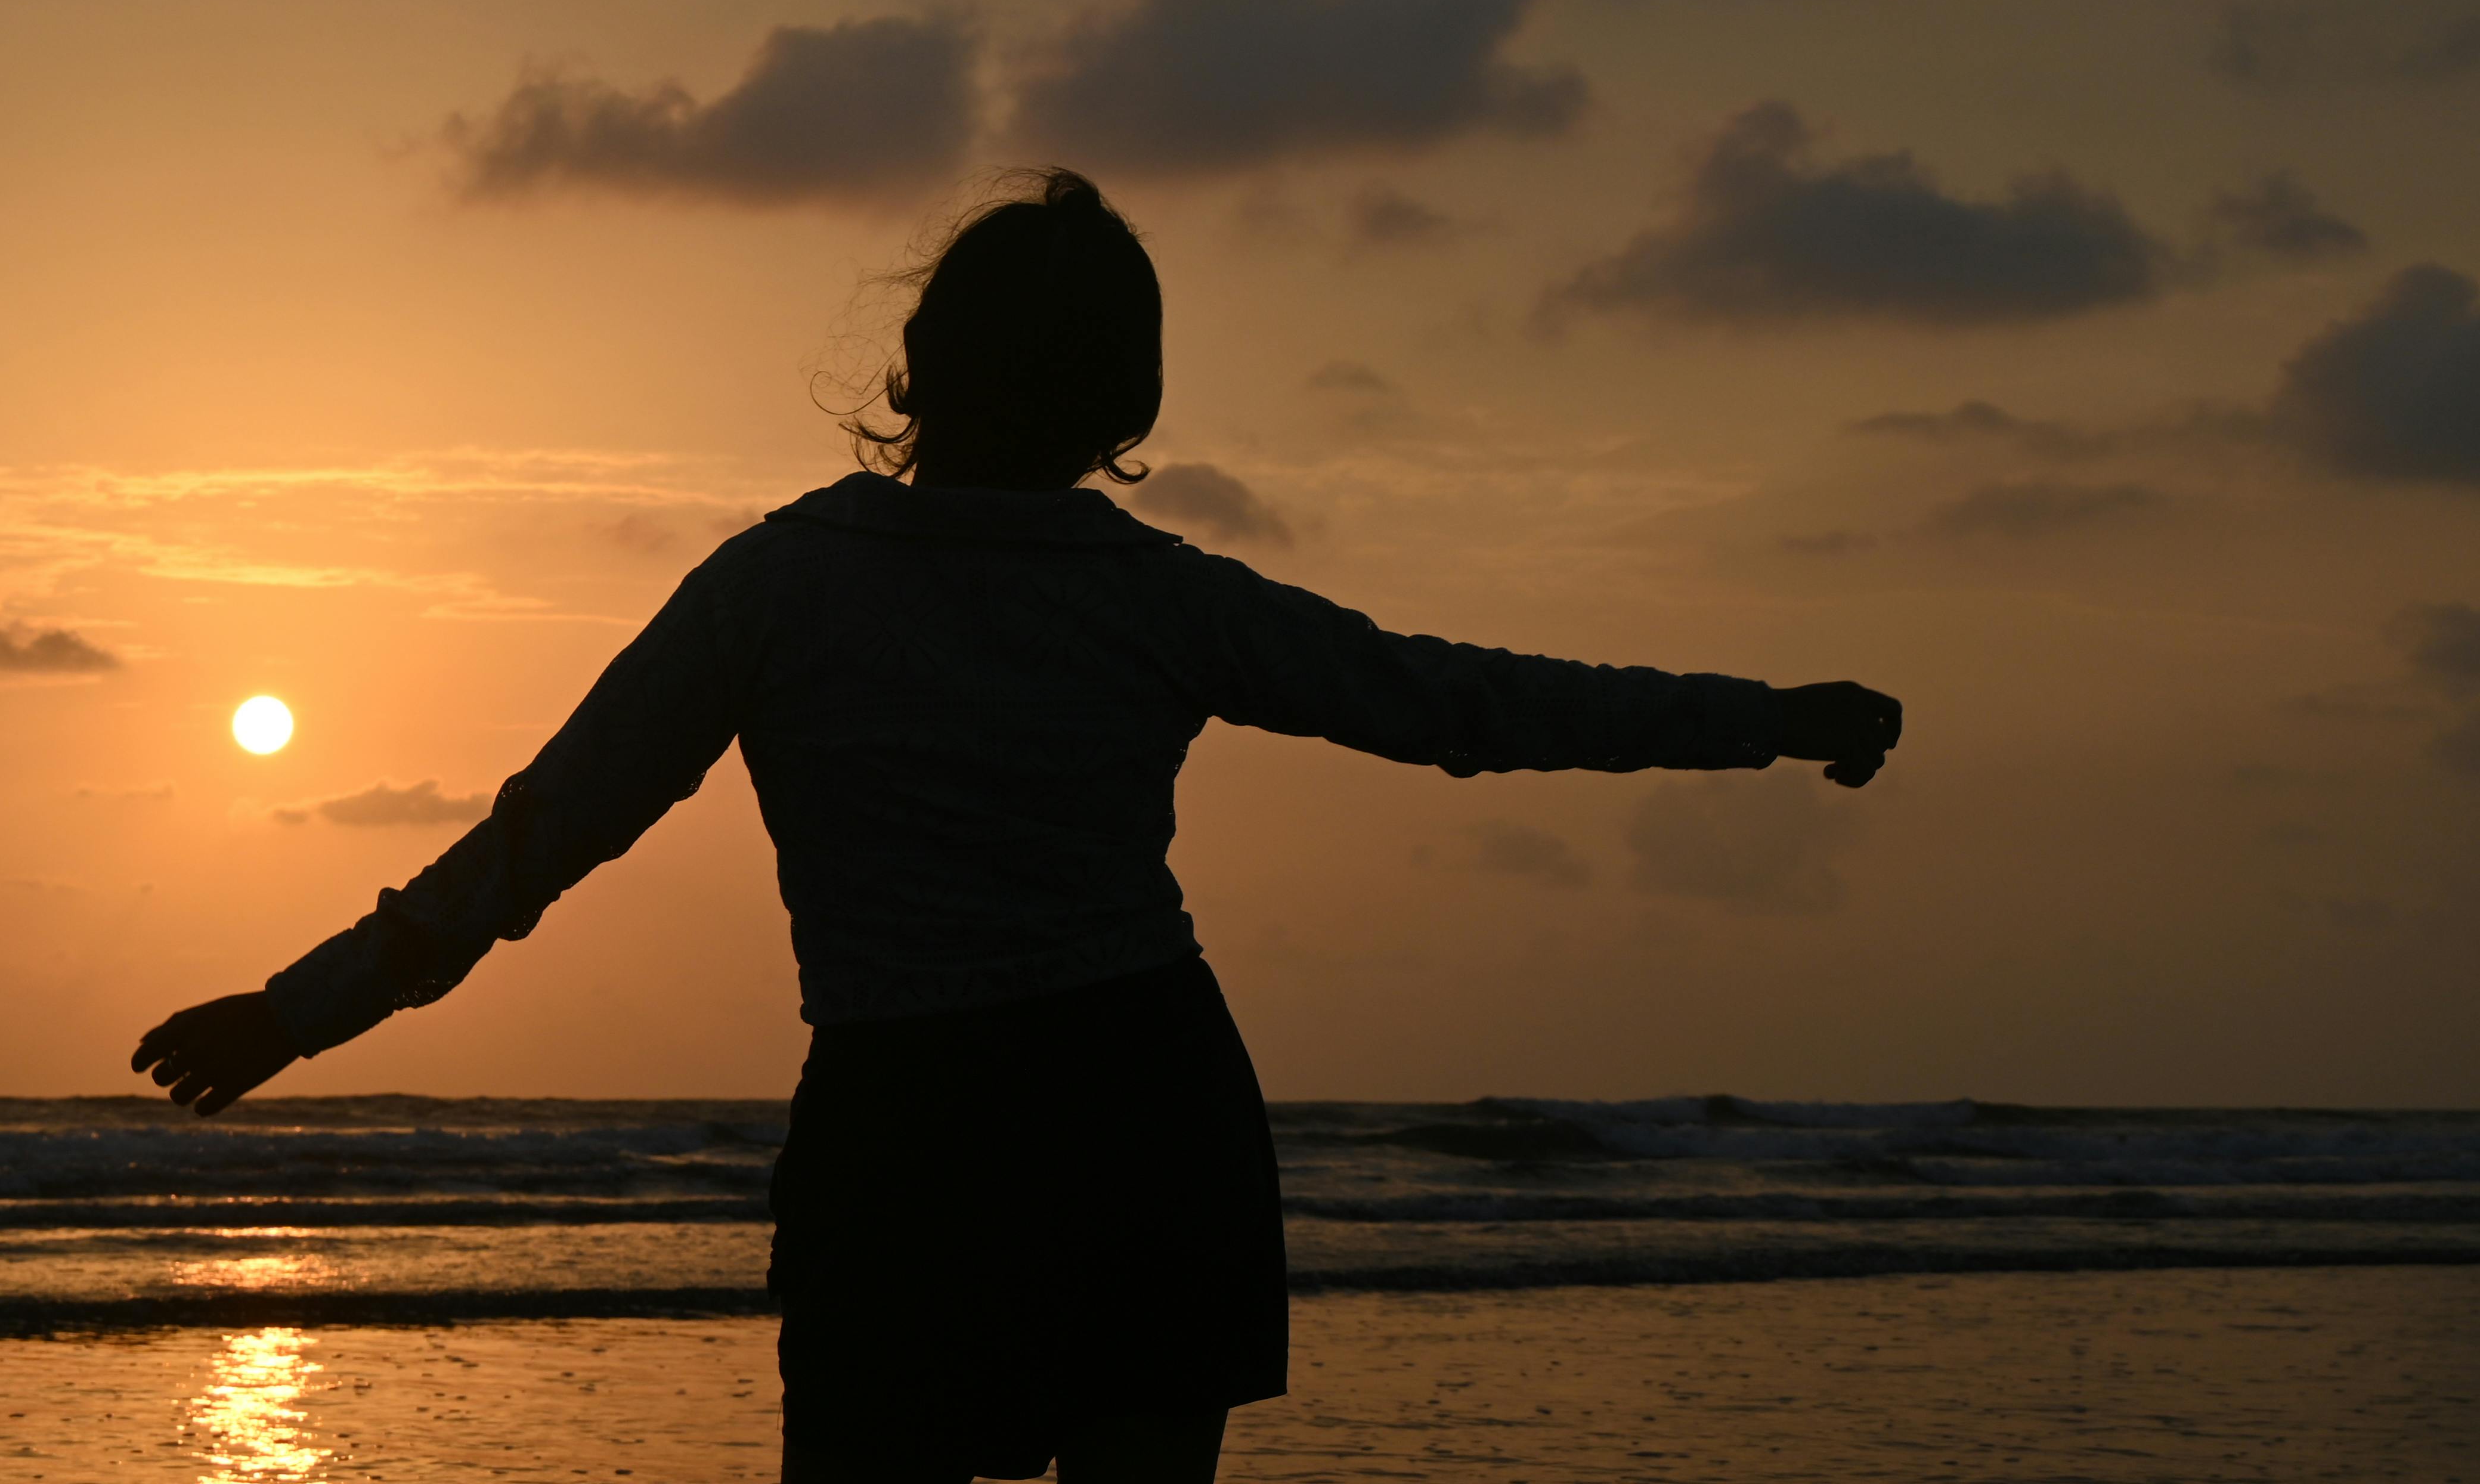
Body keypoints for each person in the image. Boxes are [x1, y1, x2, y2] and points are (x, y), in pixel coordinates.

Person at [133, 169, 1902, 1483]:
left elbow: (537, 846)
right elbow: (1467, 705)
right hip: (1145, 1115)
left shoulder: (777, 591)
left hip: (909, 1134)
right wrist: (1768, 724)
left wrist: (300, 1014)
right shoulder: (1157, 601)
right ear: (1127, 405)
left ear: (918, 366)